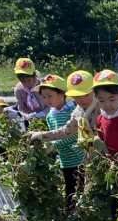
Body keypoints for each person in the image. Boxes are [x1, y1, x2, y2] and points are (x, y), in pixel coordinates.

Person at [34, 74, 83, 206]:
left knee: (82, 190)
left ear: (61, 93)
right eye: (44, 97)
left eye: (50, 96)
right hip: (65, 160)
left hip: (79, 158)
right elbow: (54, 135)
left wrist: (53, 145)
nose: (47, 100)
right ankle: (71, 215)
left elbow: (73, 136)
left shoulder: (72, 111)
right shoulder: (50, 116)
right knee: (70, 192)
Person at [30, 71, 100, 156]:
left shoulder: (102, 108)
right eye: (77, 96)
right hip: (91, 156)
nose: (82, 99)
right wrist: (42, 135)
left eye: (86, 94)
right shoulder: (78, 113)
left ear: (94, 91)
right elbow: (66, 131)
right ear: (72, 96)